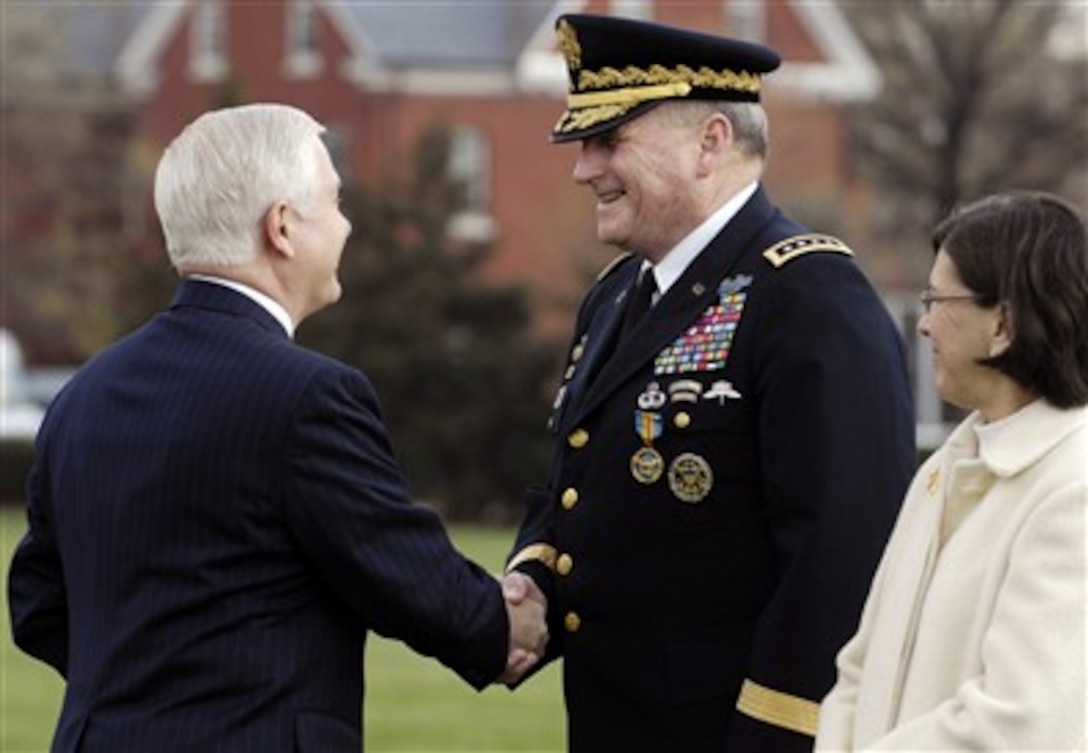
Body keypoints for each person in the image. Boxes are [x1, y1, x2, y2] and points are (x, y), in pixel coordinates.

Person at [7, 103, 547, 752]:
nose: (347, 224)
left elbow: (38, 602)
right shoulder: (309, 396)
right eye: (335, 201)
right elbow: (409, 579)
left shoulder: (82, 396)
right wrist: (514, 620)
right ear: (282, 227)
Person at [501, 13, 916, 753]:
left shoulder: (810, 297)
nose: (583, 168)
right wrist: (533, 579)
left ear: (711, 142)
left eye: (610, 140)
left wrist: (774, 737)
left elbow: (842, 560)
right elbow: (576, 486)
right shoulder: (616, 296)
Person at [816, 190, 1088, 751]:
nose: (924, 324)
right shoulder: (944, 470)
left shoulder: (1073, 489)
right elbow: (859, 670)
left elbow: (1022, 723)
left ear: (1004, 323)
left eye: (938, 299)